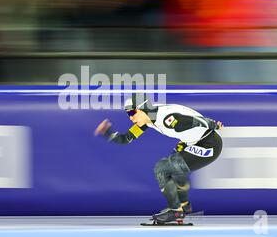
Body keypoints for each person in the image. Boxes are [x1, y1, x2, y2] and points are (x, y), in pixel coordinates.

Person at [94, 94, 223, 224]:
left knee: (162, 168)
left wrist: (213, 124)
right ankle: (184, 206)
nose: (131, 117)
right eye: (128, 114)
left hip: (209, 145)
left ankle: (176, 211)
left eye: (133, 112)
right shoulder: (147, 120)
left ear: (143, 108)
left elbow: (194, 120)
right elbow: (126, 139)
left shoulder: (167, 119)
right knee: (172, 166)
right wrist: (107, 132)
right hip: (193, 142)